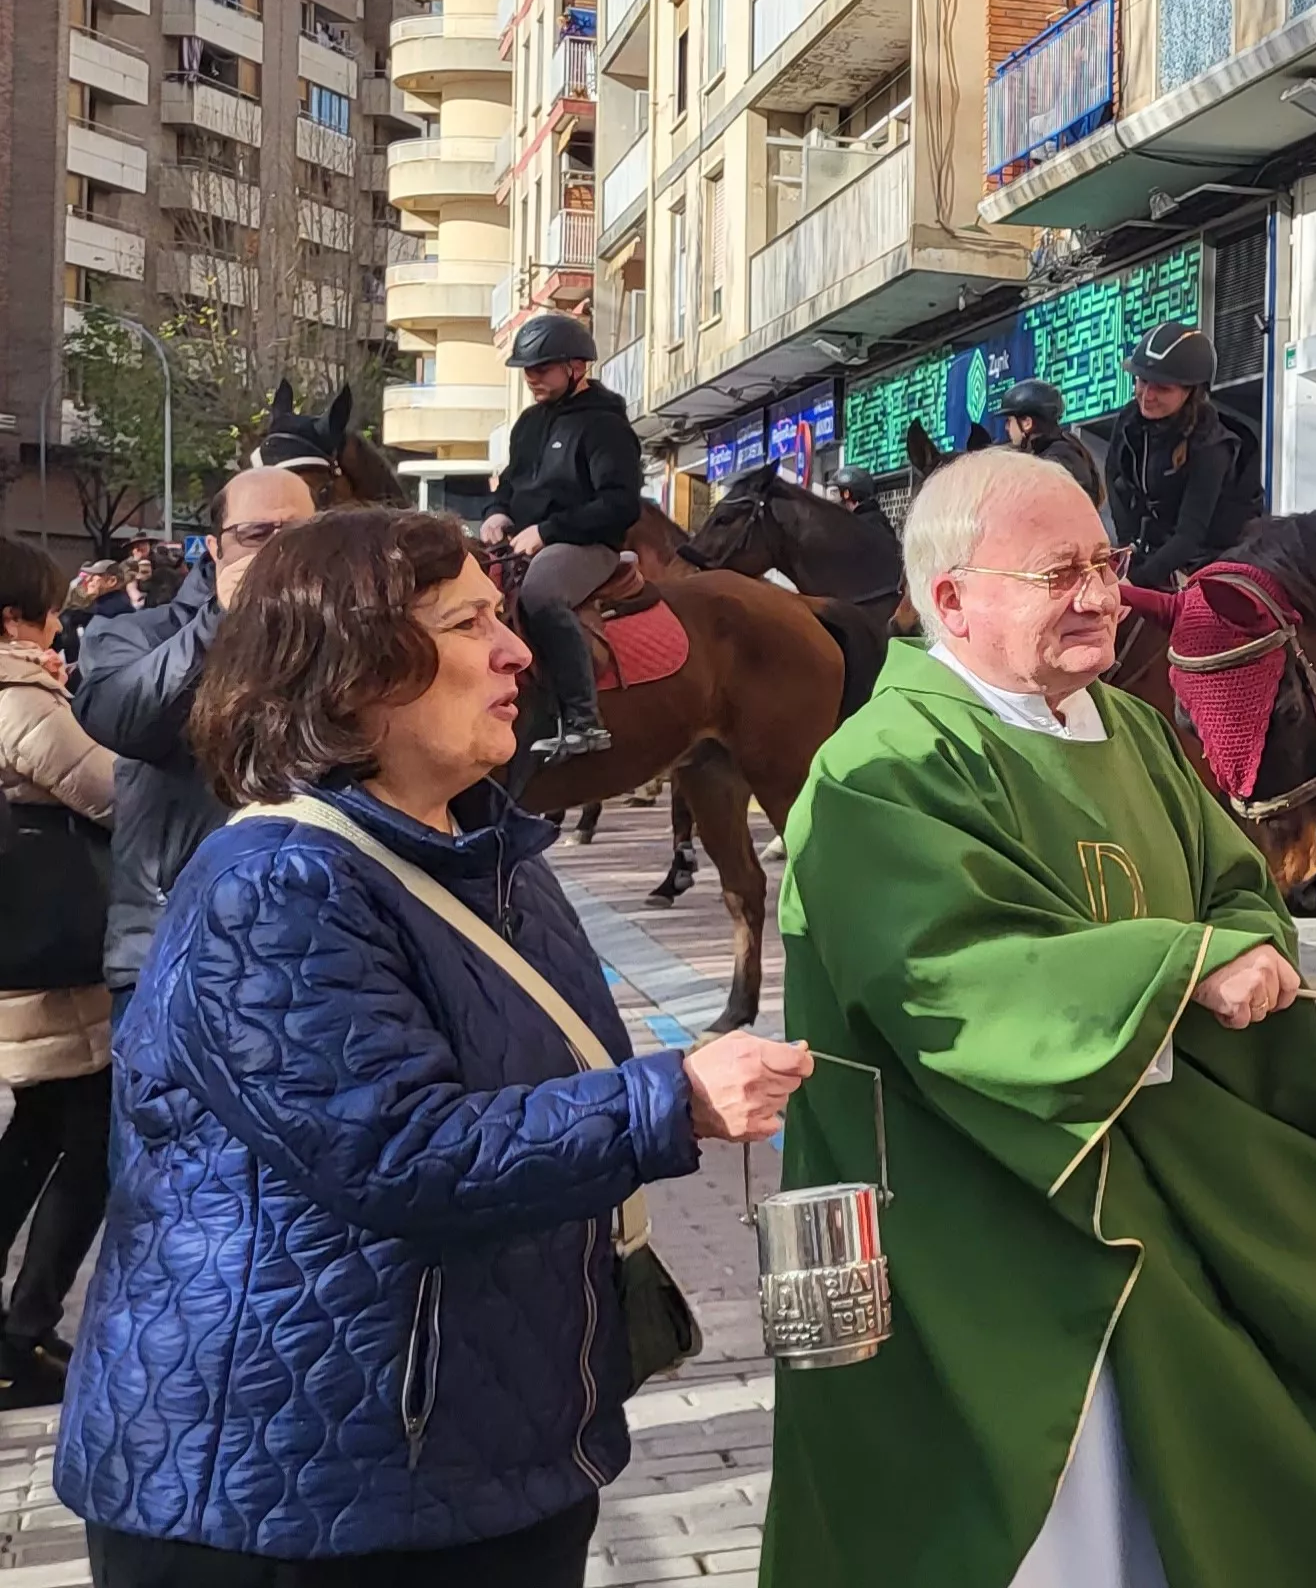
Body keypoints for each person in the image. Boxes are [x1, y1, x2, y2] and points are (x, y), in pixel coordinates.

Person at [762, 450, 1316, 1586]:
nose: (1102, 594)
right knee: (1054, 1518)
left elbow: (1232, 882)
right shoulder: (881, 768)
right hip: (989, 1215)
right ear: (952, 598)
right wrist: (1179, 967)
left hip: (1156, 1170)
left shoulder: (1131, 733)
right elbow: (944, 974)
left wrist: (1244, 940)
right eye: (1061, 571)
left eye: (1105, 562)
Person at [53, 507, 812, 1586]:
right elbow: (400, 1151)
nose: (513, 651)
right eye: (467, 625)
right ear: (353, 668)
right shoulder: (275, 886)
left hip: (472, 1459)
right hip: (296, 1496)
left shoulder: (493, 853)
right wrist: (670, 1100)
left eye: (503, 617)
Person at [76, 466, 318, 1004]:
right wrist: (220, 622)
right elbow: (124, 719)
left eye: (298, 535)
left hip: (312, 949)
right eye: (257, 535)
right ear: (214, 547)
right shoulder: (134, 632)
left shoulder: (342, 642)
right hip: (174, 951)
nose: (277, 552)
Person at [0, 538, 118, 1405]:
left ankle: (19, 1333)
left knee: (45, 1130)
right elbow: (110, 790)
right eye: (51, 609)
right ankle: (24, 1332)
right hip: (50, 960)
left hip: (31, 956)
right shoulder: (18, 699)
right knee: (93, 1139)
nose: (59, 623)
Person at [482, 312, 645, 761]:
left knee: (540, 595)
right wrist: (496, 513)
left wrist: (548, 531)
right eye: (527, 369)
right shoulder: (529, 424)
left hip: (587, 545)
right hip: (525, 542)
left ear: (576, 368)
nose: (531, 377)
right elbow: (511, 486)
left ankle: (583, 720)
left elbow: (620, 504)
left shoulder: (605, 427)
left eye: (541, 368)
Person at [1107, 322, 1262, 590]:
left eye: (1163, 388)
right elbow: (1115, 482)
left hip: (1217, 558)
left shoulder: (1214, 446)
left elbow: (1190, 535)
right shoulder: (1129, 420)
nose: (1147, 396)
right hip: (1156, 547)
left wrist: (1133, 583)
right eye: (1142, 381)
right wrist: (1126, 550)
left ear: (1192, 391)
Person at [996, 376, 1108, 511]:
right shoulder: (1060, 452)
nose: (1007, 427)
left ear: (1027, 423)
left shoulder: (1058, 459)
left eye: (1009, 420)